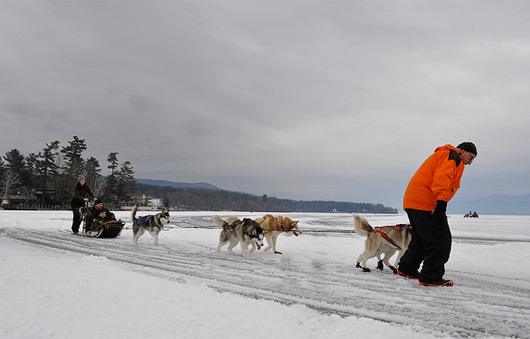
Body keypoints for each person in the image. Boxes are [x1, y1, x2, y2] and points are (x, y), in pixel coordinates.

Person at [397, 142, 477, 287]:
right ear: (462, 151)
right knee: (440, 241)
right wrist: (441, 202)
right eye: (470, 157)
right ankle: (430, 277)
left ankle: (407, 269)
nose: (470, 162)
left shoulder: (448, 156)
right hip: (425, 203)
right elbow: (442, 178)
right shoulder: (451, 156)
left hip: (414, 202)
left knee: (421, 239)